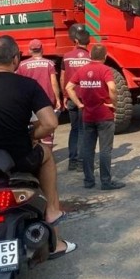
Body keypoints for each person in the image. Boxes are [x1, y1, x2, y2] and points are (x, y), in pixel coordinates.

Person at [0, 36, 76, 258]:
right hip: (19, 159)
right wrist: (31, 135)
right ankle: (53, 216)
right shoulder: (27, 85)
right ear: (16, 58)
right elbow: (50, 123)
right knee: (47, 156)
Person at [66, 44, 125, 191]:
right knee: (105, 150)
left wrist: (79, 104)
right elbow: (112, 87)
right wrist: (113, 104)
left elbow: (68, 87)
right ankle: (106, 182)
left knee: (88, 149)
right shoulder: (105, 70)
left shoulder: (82, 70)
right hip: (104, 115)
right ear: (105, 57)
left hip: (88, 115)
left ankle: (88, 181)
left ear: (90, 56)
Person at [16, 39, 61, 145]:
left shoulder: (22, 65)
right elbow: (54, 83)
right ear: (42, 49)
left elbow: (19, 84)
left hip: (29, 102)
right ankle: (48, 155)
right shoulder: (49, 63)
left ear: (30, 51)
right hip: (46, 101)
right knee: (48, 130)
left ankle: (36, 155)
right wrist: (58, 99)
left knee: (33, 129)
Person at [60, 26, 91, 171]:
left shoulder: (66, 56)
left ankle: (72, 160)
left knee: (74, 129)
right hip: (85, 99)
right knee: (84, 130)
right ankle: (80, 162)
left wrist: (64, 96)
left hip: (71, 97)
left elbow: (62, 78)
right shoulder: (91, 57)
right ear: (88, 42)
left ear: (76, 41)